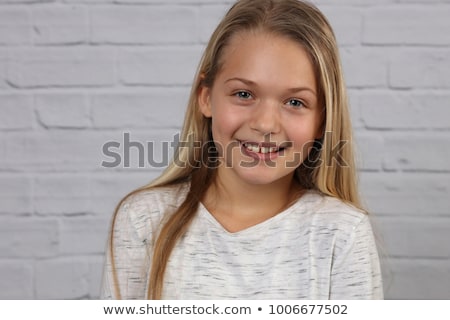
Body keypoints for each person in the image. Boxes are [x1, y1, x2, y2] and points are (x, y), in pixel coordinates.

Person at [100, 0, 383, 300]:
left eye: (295, 102)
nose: (265, 124)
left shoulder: (342, 232)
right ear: (206, 97)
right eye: (244, 94)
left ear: (322, 119)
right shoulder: (144, 220)